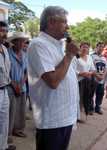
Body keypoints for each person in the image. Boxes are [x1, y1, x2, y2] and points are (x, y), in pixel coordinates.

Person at [27, 6, 79, 150]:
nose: (68, 26)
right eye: (64, 22)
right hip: (52, 120)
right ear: (51, 22)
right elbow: (53, 81)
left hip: (65, 117)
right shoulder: (38, 44)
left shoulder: (58, 45)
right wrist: (68, 55)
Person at [7, 32, 29, 140]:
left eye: (23, 41)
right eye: (19, 41)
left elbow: (26, 71)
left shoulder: (25, 55)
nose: (21, 43)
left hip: (22, 86)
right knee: (10, 111)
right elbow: (5, 72)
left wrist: (21, 84)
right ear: (13, 42)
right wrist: (14, 85)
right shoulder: (7, 53)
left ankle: (18, 129)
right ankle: (8, 133)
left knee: (21, 110)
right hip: (10, 86)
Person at [0, 21, 16, 150]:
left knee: (4, 121)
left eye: (5, 31)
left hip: (5, 89)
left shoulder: (5, 49)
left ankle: (3, 146)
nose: (4, 34)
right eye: (1, 31)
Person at [91, 42, 107, 115]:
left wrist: (103, 76)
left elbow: (106, 68)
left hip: (101, 80)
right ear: (96, 47)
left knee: (100, 94)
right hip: (93, 79)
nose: (101, 48)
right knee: (91, 94)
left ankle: (98, 107)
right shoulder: (91, 56)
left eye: (102, 47)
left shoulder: (104, 58)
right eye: (99, 46)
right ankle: (90, 108)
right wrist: (97, 76)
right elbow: (90, 68)